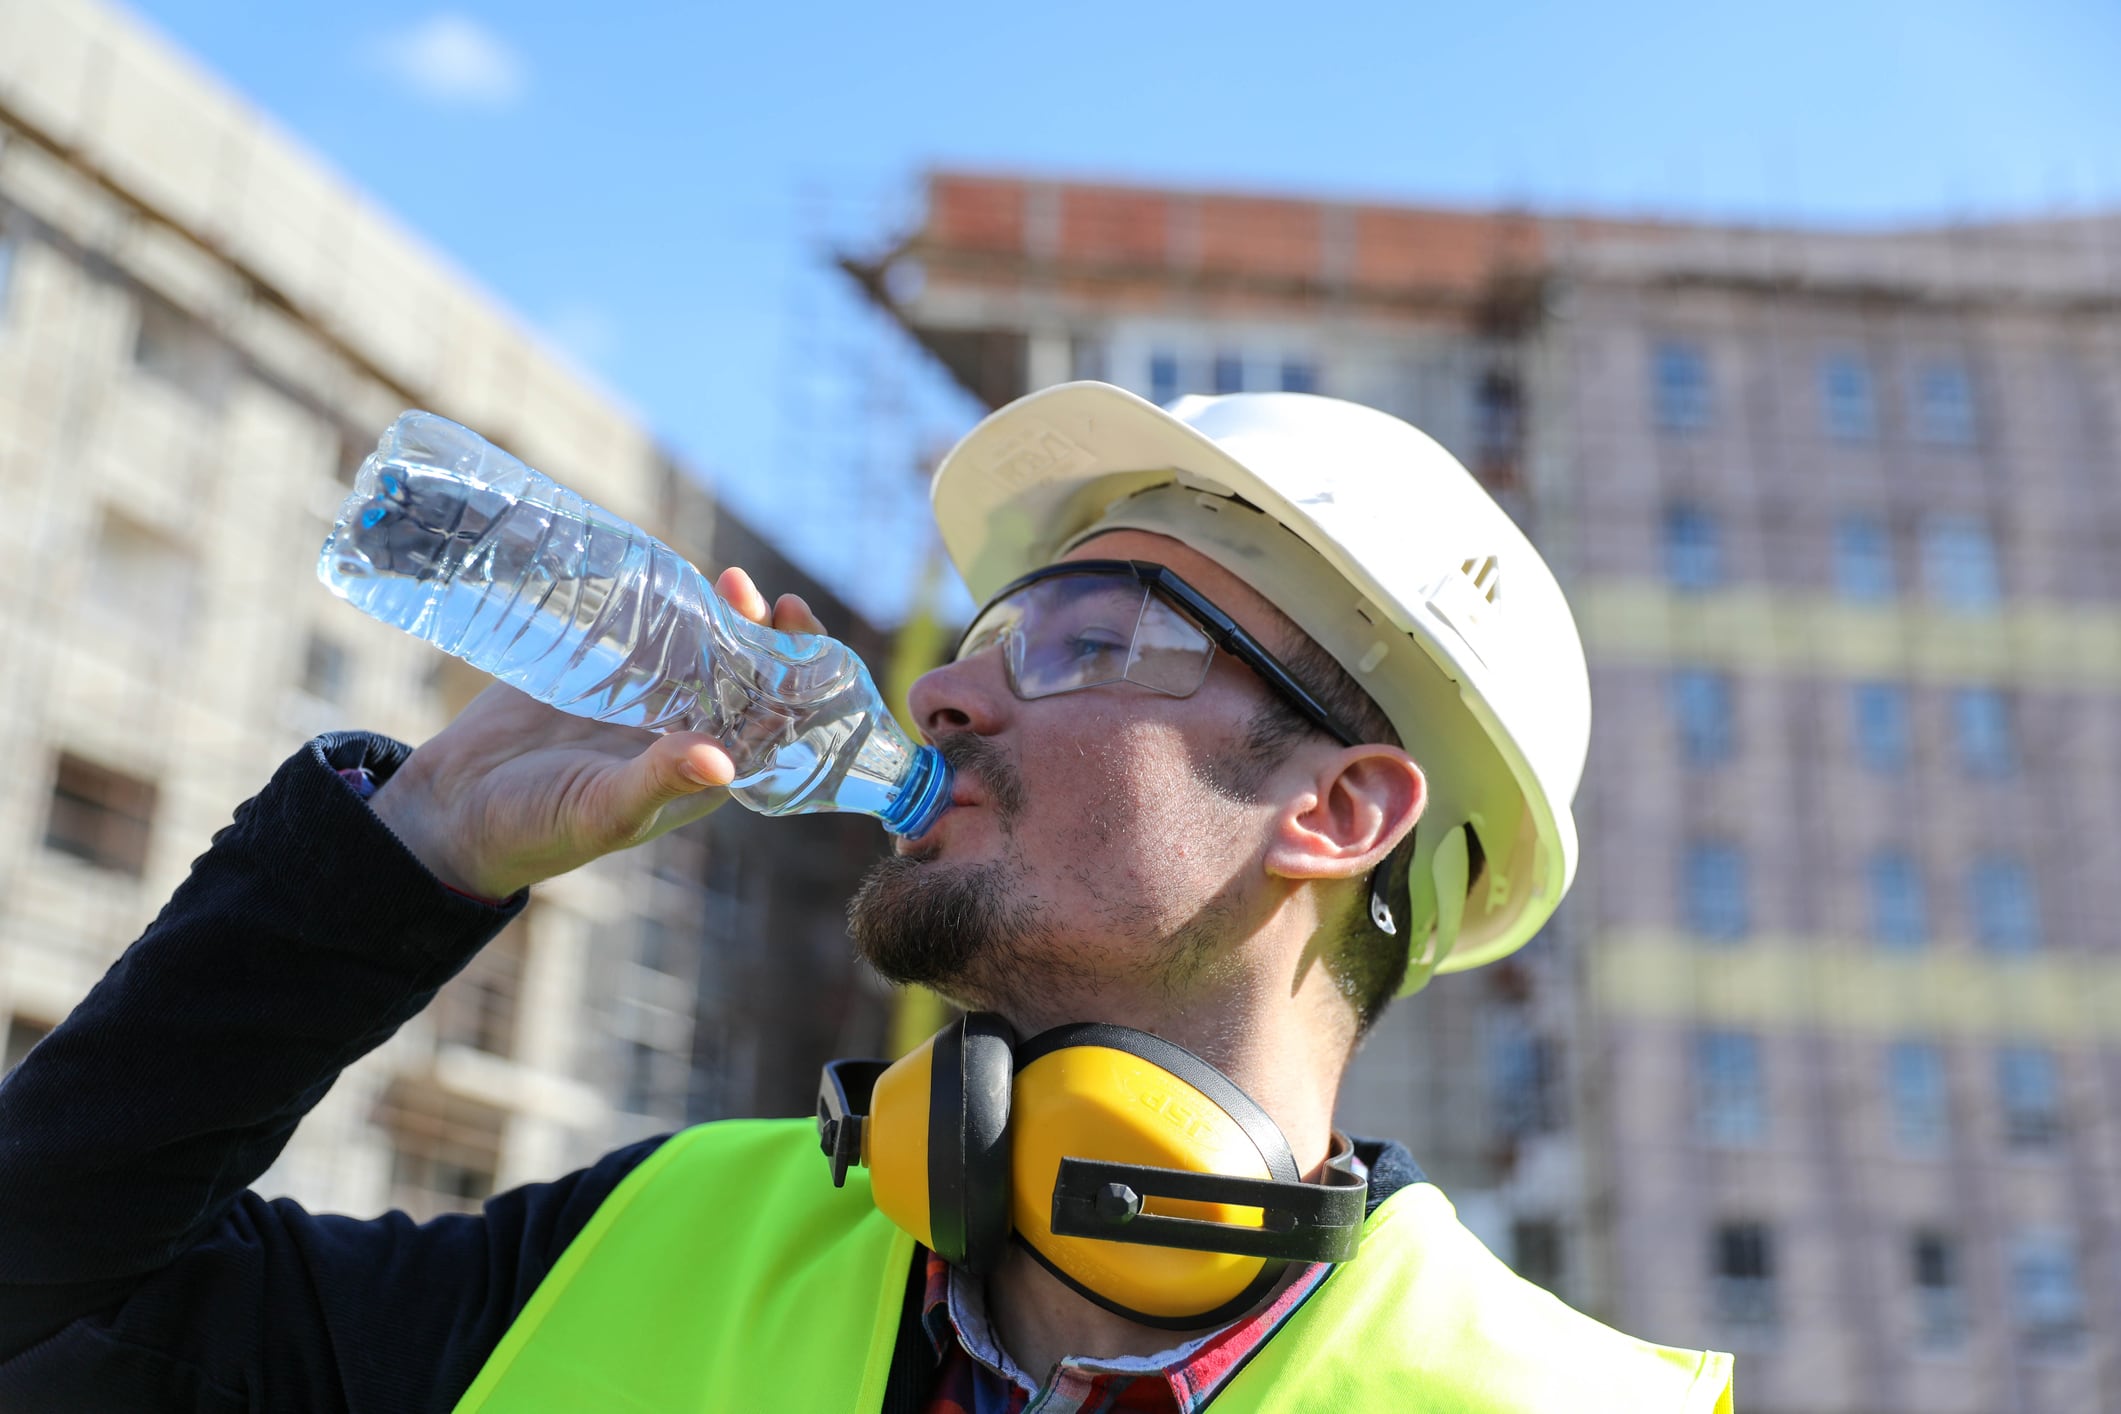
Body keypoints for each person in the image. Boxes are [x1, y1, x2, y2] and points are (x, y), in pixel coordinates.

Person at [0, 383, 1734, 1411]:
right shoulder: (648, 1241)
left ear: (1339, 805)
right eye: (984, 638)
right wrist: (408, 852)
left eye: (1087, 642)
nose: (950, 694)